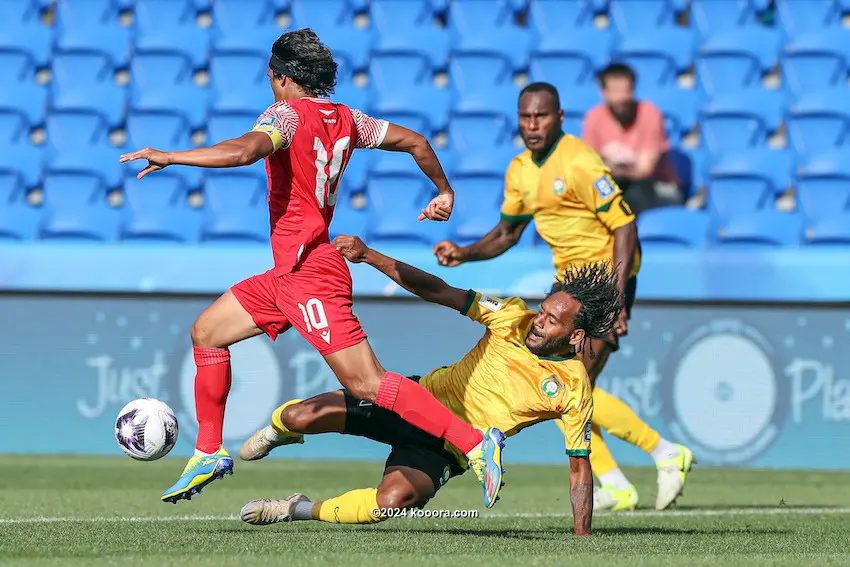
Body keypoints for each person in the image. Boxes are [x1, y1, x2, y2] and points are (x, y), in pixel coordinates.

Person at [119, 29, 504, 507]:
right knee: (208, 333)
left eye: (269, 77)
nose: (269, 84)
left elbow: (245, 151)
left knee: (366, 383)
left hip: (311, 274)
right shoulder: (348, 120)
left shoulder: (285, 116)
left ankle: (474, 443)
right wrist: (443, 191)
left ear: (281, 78)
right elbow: (417, 141)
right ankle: (208, 452)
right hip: (288, 274)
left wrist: (172, 155)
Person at [236, 234, 619, 537]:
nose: (539, 322)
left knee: (391, 501)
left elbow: (578, 467)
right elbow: (438, 290)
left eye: (553, 321)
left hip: (447, 449)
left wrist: (582, 537)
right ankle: (281, 432)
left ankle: (294, 508)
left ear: (576, 335)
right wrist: (370, 256)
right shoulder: (513, 315)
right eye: (544, 310)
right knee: (297, 416)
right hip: (415, 402)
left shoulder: (574, 386)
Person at [431, 82, 694, 511]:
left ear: (560, 118)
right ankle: (620, 482)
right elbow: (507, 233)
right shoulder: (519, 169)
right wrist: (464, 253)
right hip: (566, 292)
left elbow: (625, 225)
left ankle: (662, 454)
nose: (533, 125)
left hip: (600, 289)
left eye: (542, 116)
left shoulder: (579, 161)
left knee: (568, 387)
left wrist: (615, 298)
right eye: (525, 117)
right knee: (565, 387)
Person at [582, 63, 680, 216]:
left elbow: (645, 170)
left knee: (631, 196)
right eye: (615, 91)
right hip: (614, 187)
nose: (621, 98)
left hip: (657, 188)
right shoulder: (594, 117)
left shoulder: (650, 114)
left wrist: (608, 165)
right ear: (604, 93)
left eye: (626, 91)